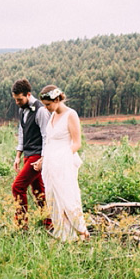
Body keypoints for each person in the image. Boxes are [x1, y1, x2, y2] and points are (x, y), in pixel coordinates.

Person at [33, 84, 89, 241]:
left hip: (63, 164)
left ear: (57, 99)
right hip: (50, 165)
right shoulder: (52, 116)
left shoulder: (71, 115)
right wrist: (42, 160)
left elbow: (77, 143)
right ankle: (64, 235)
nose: (46, 108)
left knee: (68, 198)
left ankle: (81, 232)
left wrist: (59, 158)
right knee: (53, 199)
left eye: (48, 104)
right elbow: (50, 143)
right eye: (44, 105)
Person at [11, 79, 52, 230]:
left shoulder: (40, 110)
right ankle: (49, 223)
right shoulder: (22, 109)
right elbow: (22, 133)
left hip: (37, 155)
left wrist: (43, 159)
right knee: (38, 191)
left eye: (19, 99)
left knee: (17, 187)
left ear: (28, 94)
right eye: (15, 100)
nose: (17, 102)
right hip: (28, 154)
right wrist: (18, 156)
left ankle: (22, 225)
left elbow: (46, 136)